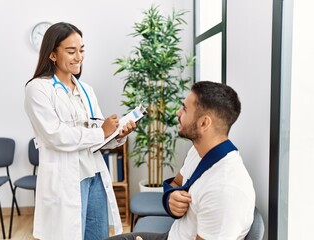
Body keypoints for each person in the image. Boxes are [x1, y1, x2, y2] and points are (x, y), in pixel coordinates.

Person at [24, 22, 136, 240]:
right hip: (65, 178)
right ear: (53, 54)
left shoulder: (87, 90)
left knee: (98, 235)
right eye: (71, 51)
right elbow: (55, 135)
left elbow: (98, 136)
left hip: (93, 174)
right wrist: (102, 132)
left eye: (82, 50)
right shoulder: (37, 88)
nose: (79, 57)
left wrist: (117, 135)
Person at [106, 81, 255, 240]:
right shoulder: (199, 151)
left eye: (184, 109)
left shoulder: (225, 190)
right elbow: (176, 183)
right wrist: (171, 198)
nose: (178, 112)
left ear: (204, 123)